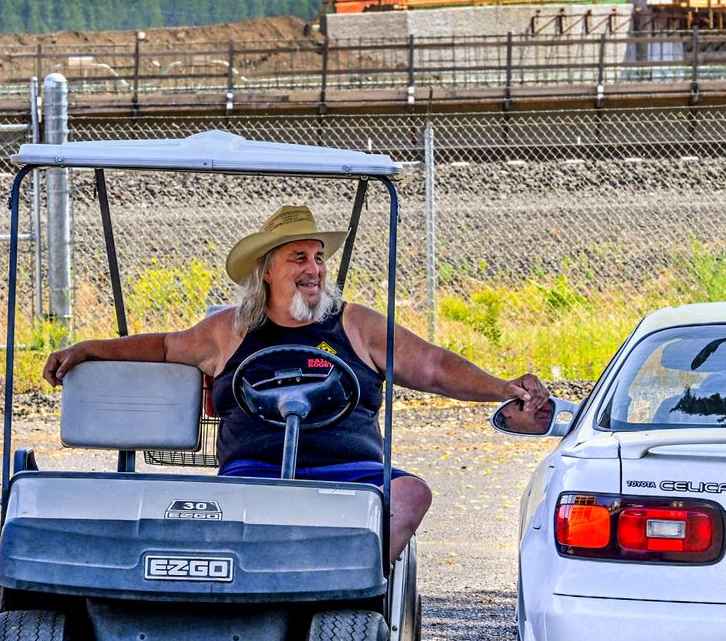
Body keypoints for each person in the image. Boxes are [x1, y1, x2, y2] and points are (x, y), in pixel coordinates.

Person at [42, 204, 548, 562]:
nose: (314, 269)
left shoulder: (356, 324)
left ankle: (359, 589)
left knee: (411, 494)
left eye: (318, 257)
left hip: (349, 473)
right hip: (254, 474)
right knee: (206, 517)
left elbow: (434, 367)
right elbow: (163, 347)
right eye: (299, 258)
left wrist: (503, 387)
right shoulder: (229, 330)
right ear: (266, 271)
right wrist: (88, 348)